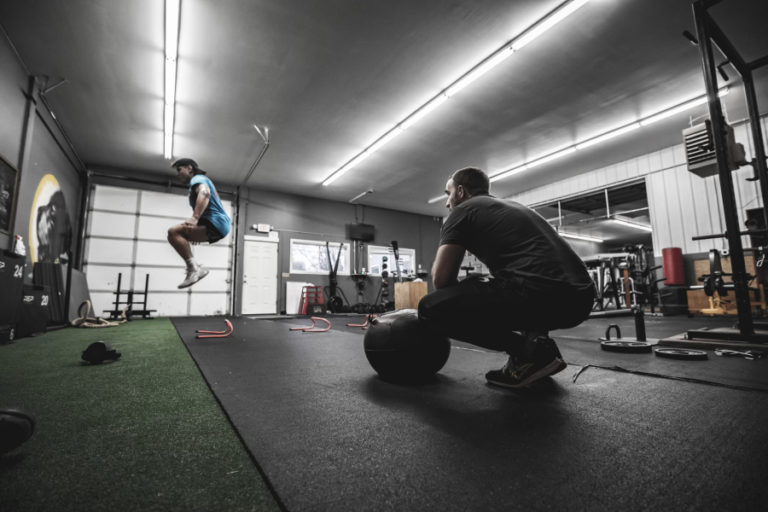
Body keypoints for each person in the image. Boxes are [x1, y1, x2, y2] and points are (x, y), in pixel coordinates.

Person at [418, 167, 595, 389]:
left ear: (461, 192)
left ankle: (531, 352)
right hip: (581, 300)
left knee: (431, 308)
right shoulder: (514, 207)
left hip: (542, 294)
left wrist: (463, 301)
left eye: (448, 194)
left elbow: (442, 281)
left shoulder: (462, 211)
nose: (447, 203)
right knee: (502, 284)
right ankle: (530, 358)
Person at [168, 158, 231, 289]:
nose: (177, 174)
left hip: (217, 223)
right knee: (179, 235)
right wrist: (197, 226)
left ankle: (194, 269)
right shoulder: (198, 181)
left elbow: (205, 192)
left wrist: (195, 218)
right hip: (218, 224)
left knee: (173, 232)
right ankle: (194, 269)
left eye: (179, 169)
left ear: (190, 168)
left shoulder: (197, 179)